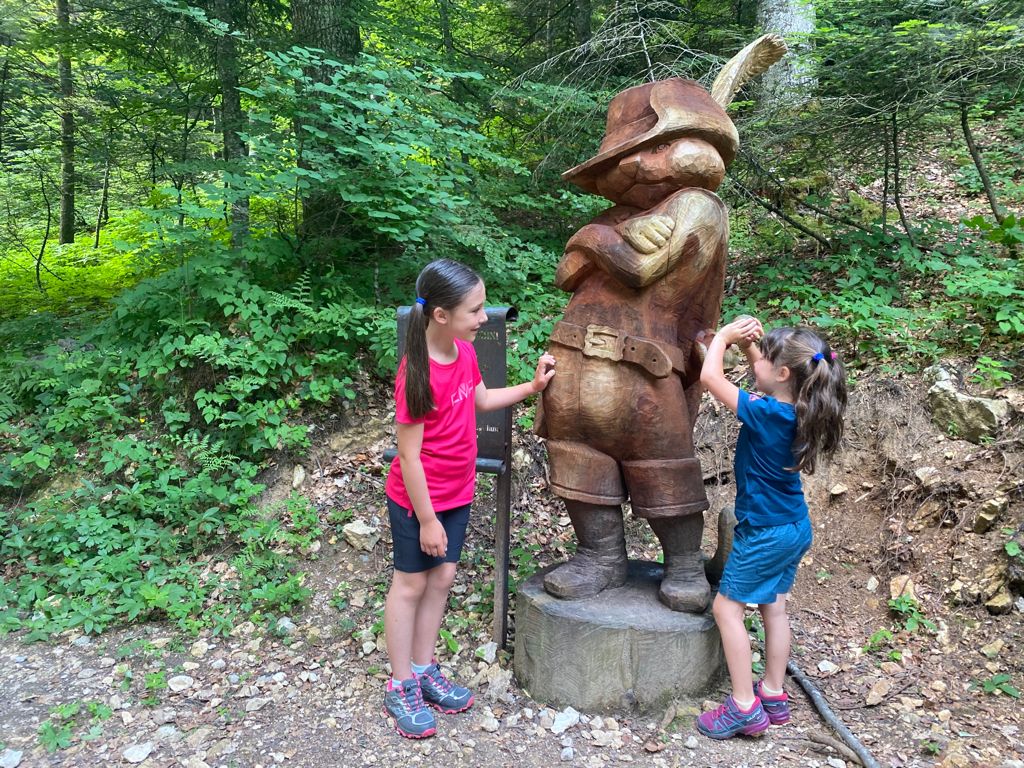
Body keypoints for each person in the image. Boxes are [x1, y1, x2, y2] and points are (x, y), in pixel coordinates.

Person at [382, 258, 556, 739]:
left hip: (457, 492)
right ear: (441, 314)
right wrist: (427, 520)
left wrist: (533, 387)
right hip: (418, 501)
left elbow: (480, 400)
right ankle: (399, 686)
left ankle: (422, 669)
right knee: (411, 585)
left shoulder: (463, 353)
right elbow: (409, 457)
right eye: (474, 310)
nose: (484, 318)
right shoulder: (416, 374)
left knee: (441, 581)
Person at [695, 315, 847, 740]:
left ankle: (744, 706)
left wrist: (723, 339)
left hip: (764, 531)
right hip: (795, 526)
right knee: (774, 607)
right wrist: (750, 347)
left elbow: (710, 376)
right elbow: (764, 371)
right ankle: (774, 693)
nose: (754, 362)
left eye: (762, 359)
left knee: (727, 609)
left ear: (782, 374)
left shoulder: (765, 413)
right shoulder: (800, 408)